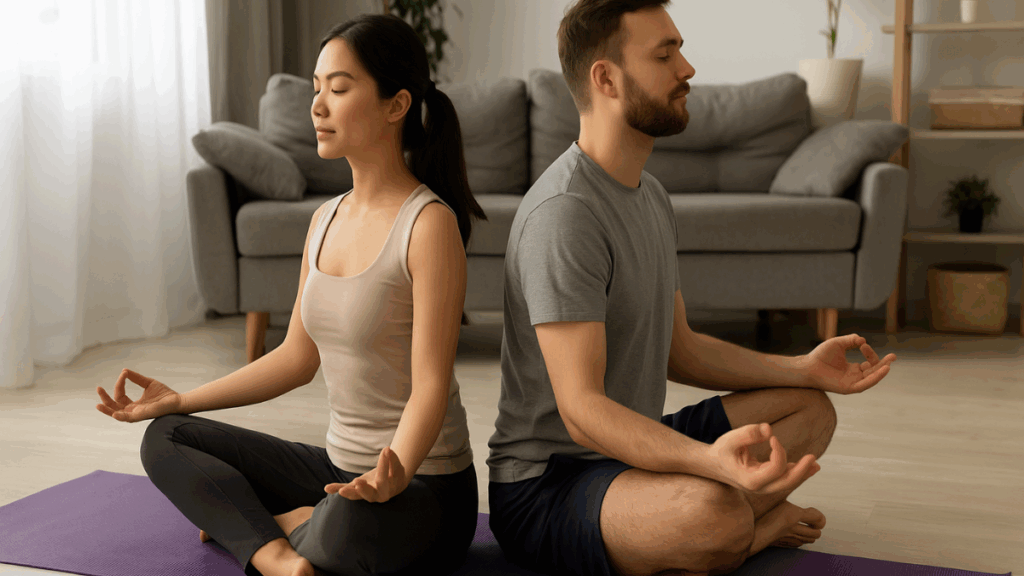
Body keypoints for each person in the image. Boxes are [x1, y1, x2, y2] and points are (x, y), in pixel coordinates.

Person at [485, 1, 898, 576]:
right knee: (710, 514)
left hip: (634, 447)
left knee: (810, 411)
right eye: (665, 54)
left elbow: (682, 349)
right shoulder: (566, 213)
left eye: (679, 49)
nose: (688, 69)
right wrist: (710, 462)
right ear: (606, 77)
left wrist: (805, 368)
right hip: (549, 484)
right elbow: (581, 413)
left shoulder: (649, 194)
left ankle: (722, 517)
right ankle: (749, 527)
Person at [95, 13, 487, 576]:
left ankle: (271, 524)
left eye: (340, 88)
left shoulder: (428, 225)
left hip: (423, 486)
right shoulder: (324, 220)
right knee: (166, 438)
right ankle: (280, 550)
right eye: (317, 88)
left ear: (396, 105)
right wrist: (180, 400)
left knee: (350, 525)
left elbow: (430, 383)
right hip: (336, 466)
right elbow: (295, 358)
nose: (319, 105)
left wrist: (395, 470)